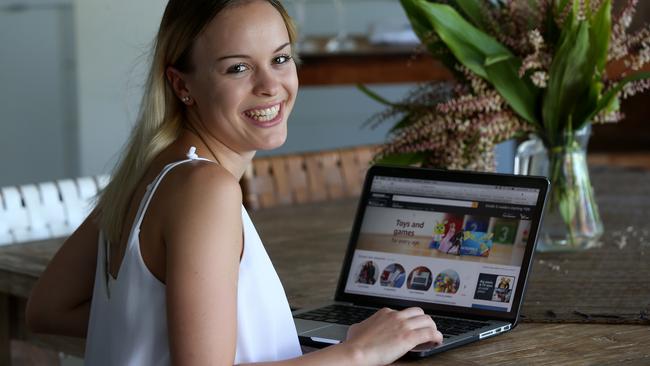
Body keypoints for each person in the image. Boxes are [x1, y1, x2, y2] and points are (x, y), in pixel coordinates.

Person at [25, 1, 443, 364]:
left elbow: (47, 308)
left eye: (280, 58)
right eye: (238, 68)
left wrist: (201, 325)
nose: (269, 86)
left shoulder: (151, 170)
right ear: (181, 84)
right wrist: (359, 352)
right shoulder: (205, 189)